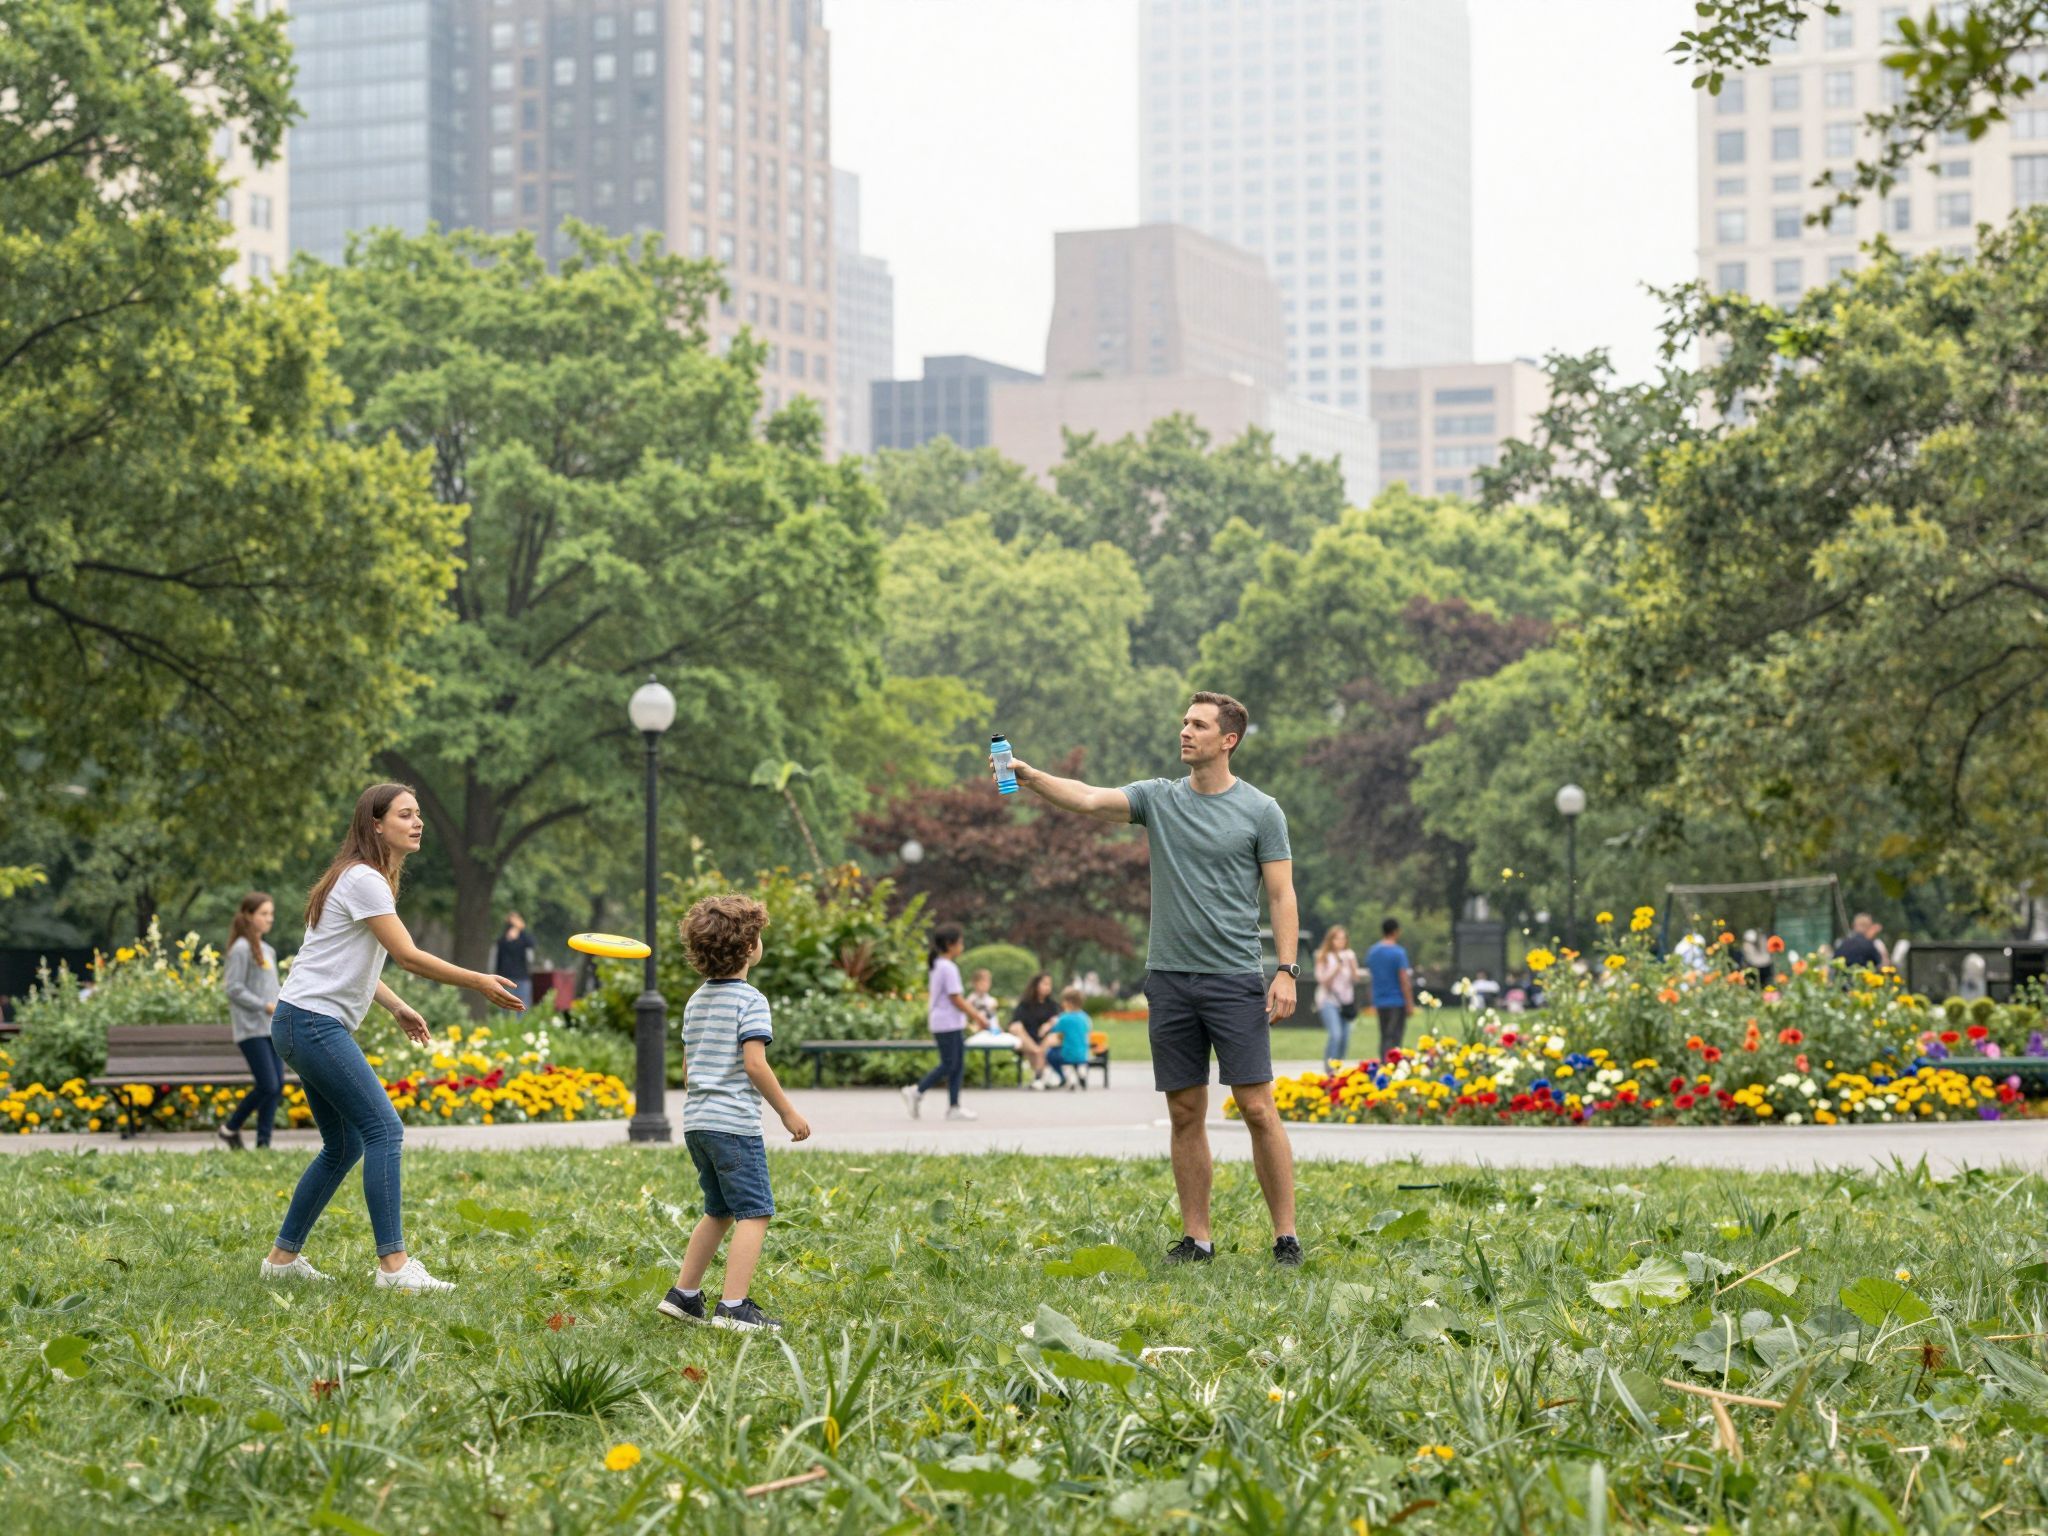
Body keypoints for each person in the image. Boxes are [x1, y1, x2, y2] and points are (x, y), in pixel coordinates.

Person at [1004, 692, 1304, 1268]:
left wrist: (1286, 971)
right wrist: (1030, 776)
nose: (1185, 732)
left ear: (1228, 739)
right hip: (1168, 979)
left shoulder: (1262, 810)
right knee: (1185, 1111)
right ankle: (1198, 1239)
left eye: (1198, 725)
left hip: (1234, 976)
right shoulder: (1158, 799)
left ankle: (1285, 1236)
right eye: (1184, 723)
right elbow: (1090, 799)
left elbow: (1282, 893)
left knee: (1257, 1108)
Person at [259, 782, 524, 1293]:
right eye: (406, 814)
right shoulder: (364, 880)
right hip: (311, 1023)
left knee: (344, 1145)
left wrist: (397, 1005)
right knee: (385, 1131)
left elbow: (349, 959)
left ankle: (282, 1259)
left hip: (299, 1020)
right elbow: (408, 956)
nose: (418, 822)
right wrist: (480, 980)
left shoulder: (363, 879)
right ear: (375, 824)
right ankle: (395, 1267)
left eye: (419, 813)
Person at [657, 894, 810, 1333]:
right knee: (755, 1212)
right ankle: (734, 1307)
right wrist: (788, 1113)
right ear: (748, 948)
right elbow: (755, 1063)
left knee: (718, 1209)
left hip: (697, 1123)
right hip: (733, 1125)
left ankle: (684, 1296)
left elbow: (689, 1068)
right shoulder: (751, 1000)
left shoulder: (695, 1001)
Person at [902, 926, 993, 1121]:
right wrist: (978, 1017)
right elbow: (956, 998)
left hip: (948, 1022)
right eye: (960, 942)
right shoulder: (947, 967)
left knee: (957, 1064)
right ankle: (917, 1091)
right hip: (947, 1023)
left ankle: (954, 1107)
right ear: (950, 945)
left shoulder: (938, 965)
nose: (962, 946)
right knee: (950, 1064)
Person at [217, 891, 283, 1151]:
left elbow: (274, 988)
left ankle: (263, 1144)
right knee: (267, 1084)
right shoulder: (241, 949)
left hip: (271, 1028)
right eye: (264, 914)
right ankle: (230, 1128)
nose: (270, 919)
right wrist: (265, 1005)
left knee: (275, 1088)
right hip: (250, 1029)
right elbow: (233, 988)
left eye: (271, 914)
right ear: (248, 915)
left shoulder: (268, 950)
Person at [1365, 918, 1415, 1063]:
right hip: (1396, 1001)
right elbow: (1403, 979)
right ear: (1395, 932)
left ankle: (1383, 1062)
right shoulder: (1399, 953)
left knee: (1384, 1034)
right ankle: (1392, 1064)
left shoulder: (1373, 952)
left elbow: (1372, 976)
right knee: (1395, 1036)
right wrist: (1409, 1003)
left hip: (1380, 1000)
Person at [1312, 926, 1359, 1064]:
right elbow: (1322, 980)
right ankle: (1330, 1069)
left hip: (1345, 1002)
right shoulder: (1323, 956)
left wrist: (1352, 965)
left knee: (1345, 1038)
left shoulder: (1349, 955)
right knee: (1336, 1035)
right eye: (1337, 938)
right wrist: (1336, 968)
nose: (1341, 942)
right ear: (1331, 940)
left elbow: (1355, 979)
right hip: (1328, 1000)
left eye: (1343, 939)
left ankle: (1338, 1066)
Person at [1008, 971, 1057, 1087]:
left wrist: (1049, 1024)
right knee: (1017, 1028)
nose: (1047, 987)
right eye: (1044, 984)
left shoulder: (1052, 1005)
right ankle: (1039, 1071)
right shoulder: (1024, 1005)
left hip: (1045, 1041)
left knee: (1051, 1038)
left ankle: (1038, 1075)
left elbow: (1058, 1019)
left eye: (1049, 984)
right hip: (1028, 1041)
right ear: (1036, 985)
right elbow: (1014, 1024)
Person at [1047, 986, 1094, 1089]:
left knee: (1063, 1062)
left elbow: (1056, 1031)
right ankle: (1082, 1073)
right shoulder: (1085, 1017)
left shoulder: (1064, 1018)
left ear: (1069, 1002)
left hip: (1068, 1050)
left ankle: (1071, 1081)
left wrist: (1052, 1023)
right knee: (1081, 1063)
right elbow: (1089, 1030)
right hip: (1083, 1051)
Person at [493, 911, 537, 1008]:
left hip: (522, 977)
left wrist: (522, 929)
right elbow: (499, 956)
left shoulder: (523, 937)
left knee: (522, 1006)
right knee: (506, 1006)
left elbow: (532, 943)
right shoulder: (504, 938)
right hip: (506, 977)